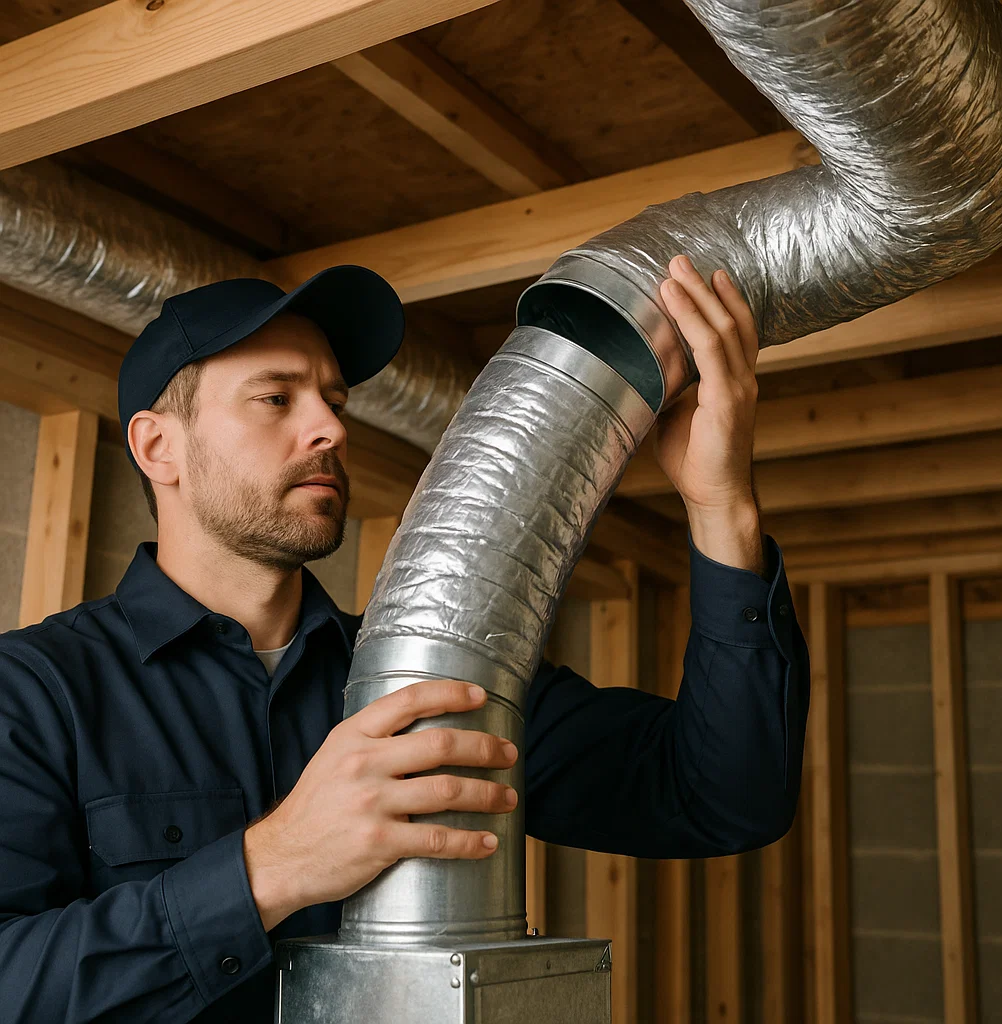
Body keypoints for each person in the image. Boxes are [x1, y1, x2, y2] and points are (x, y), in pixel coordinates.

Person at [0, 255, 808, 1022]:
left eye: (335, 401)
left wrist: (721, 507)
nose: (329, 428)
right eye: (276, 398)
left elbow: (720, 798)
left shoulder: (440, 677)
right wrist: (267, 870)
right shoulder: (34, 693)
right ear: (157, 448)